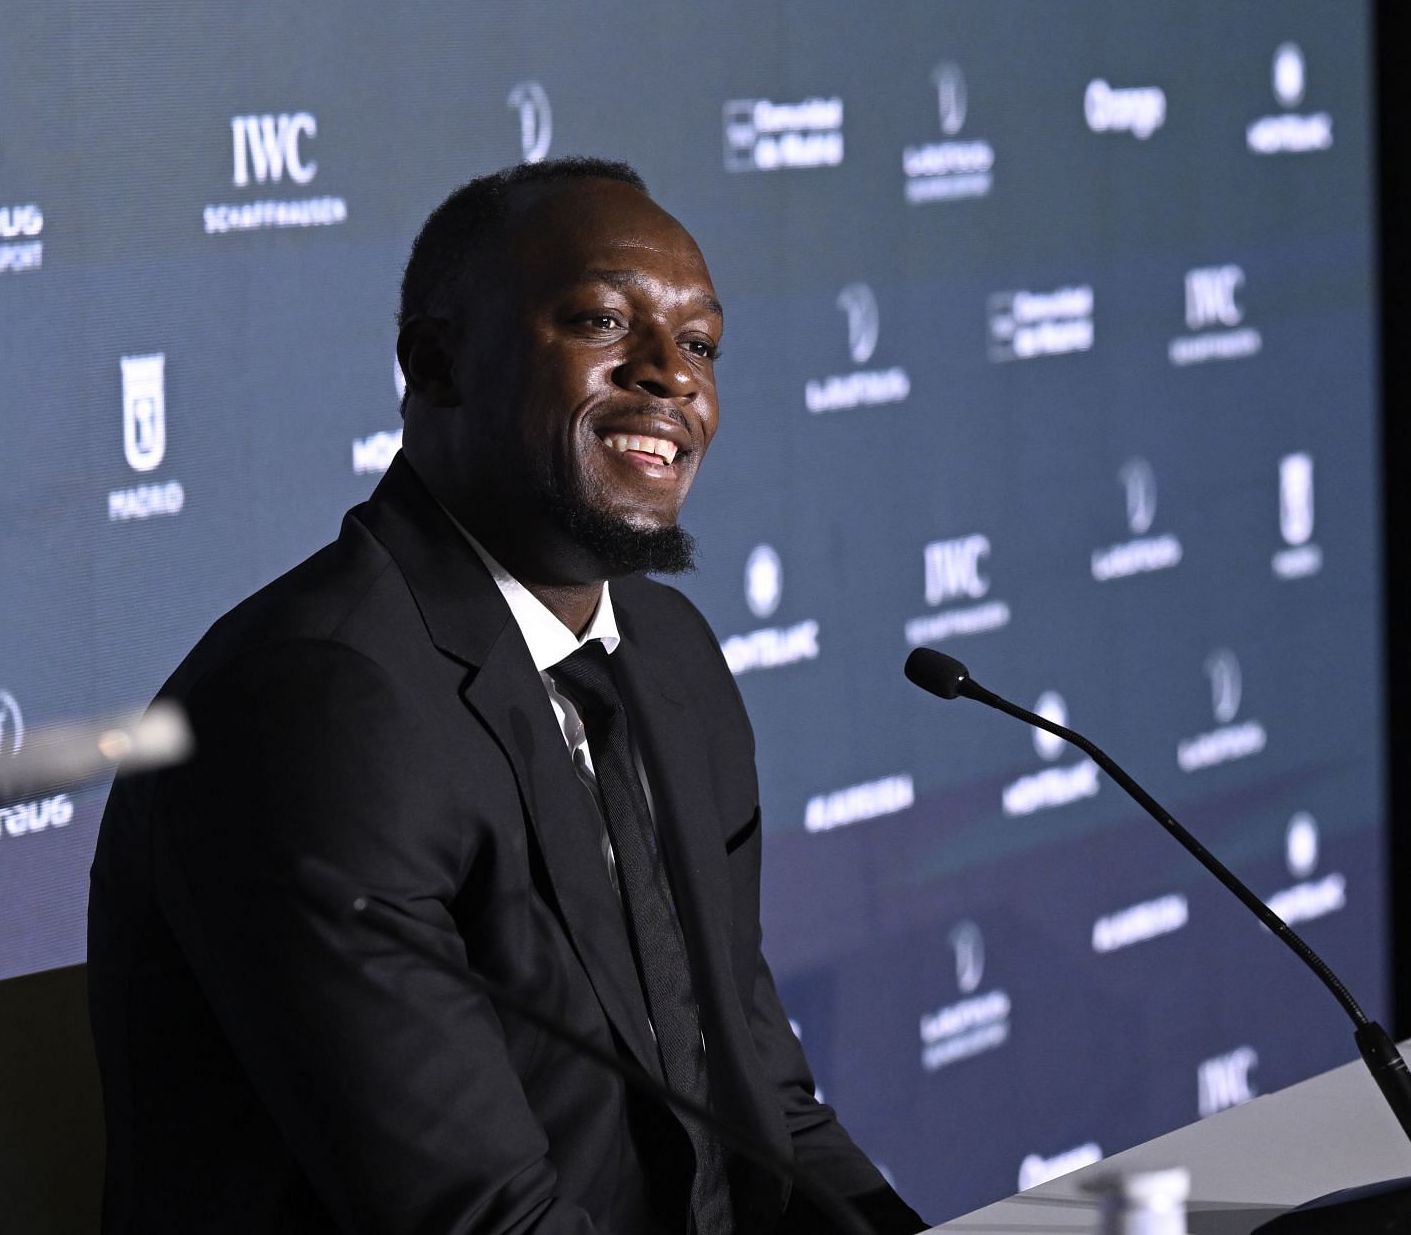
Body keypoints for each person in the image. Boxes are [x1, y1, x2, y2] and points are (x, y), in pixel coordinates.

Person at [87, 158, 926, 1235]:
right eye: (602, 322)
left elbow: (767, 1108)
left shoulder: (670, 659)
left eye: (702, 344)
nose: (672, 376)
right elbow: (478, 1219)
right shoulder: (313, 706)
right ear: (437, 362)